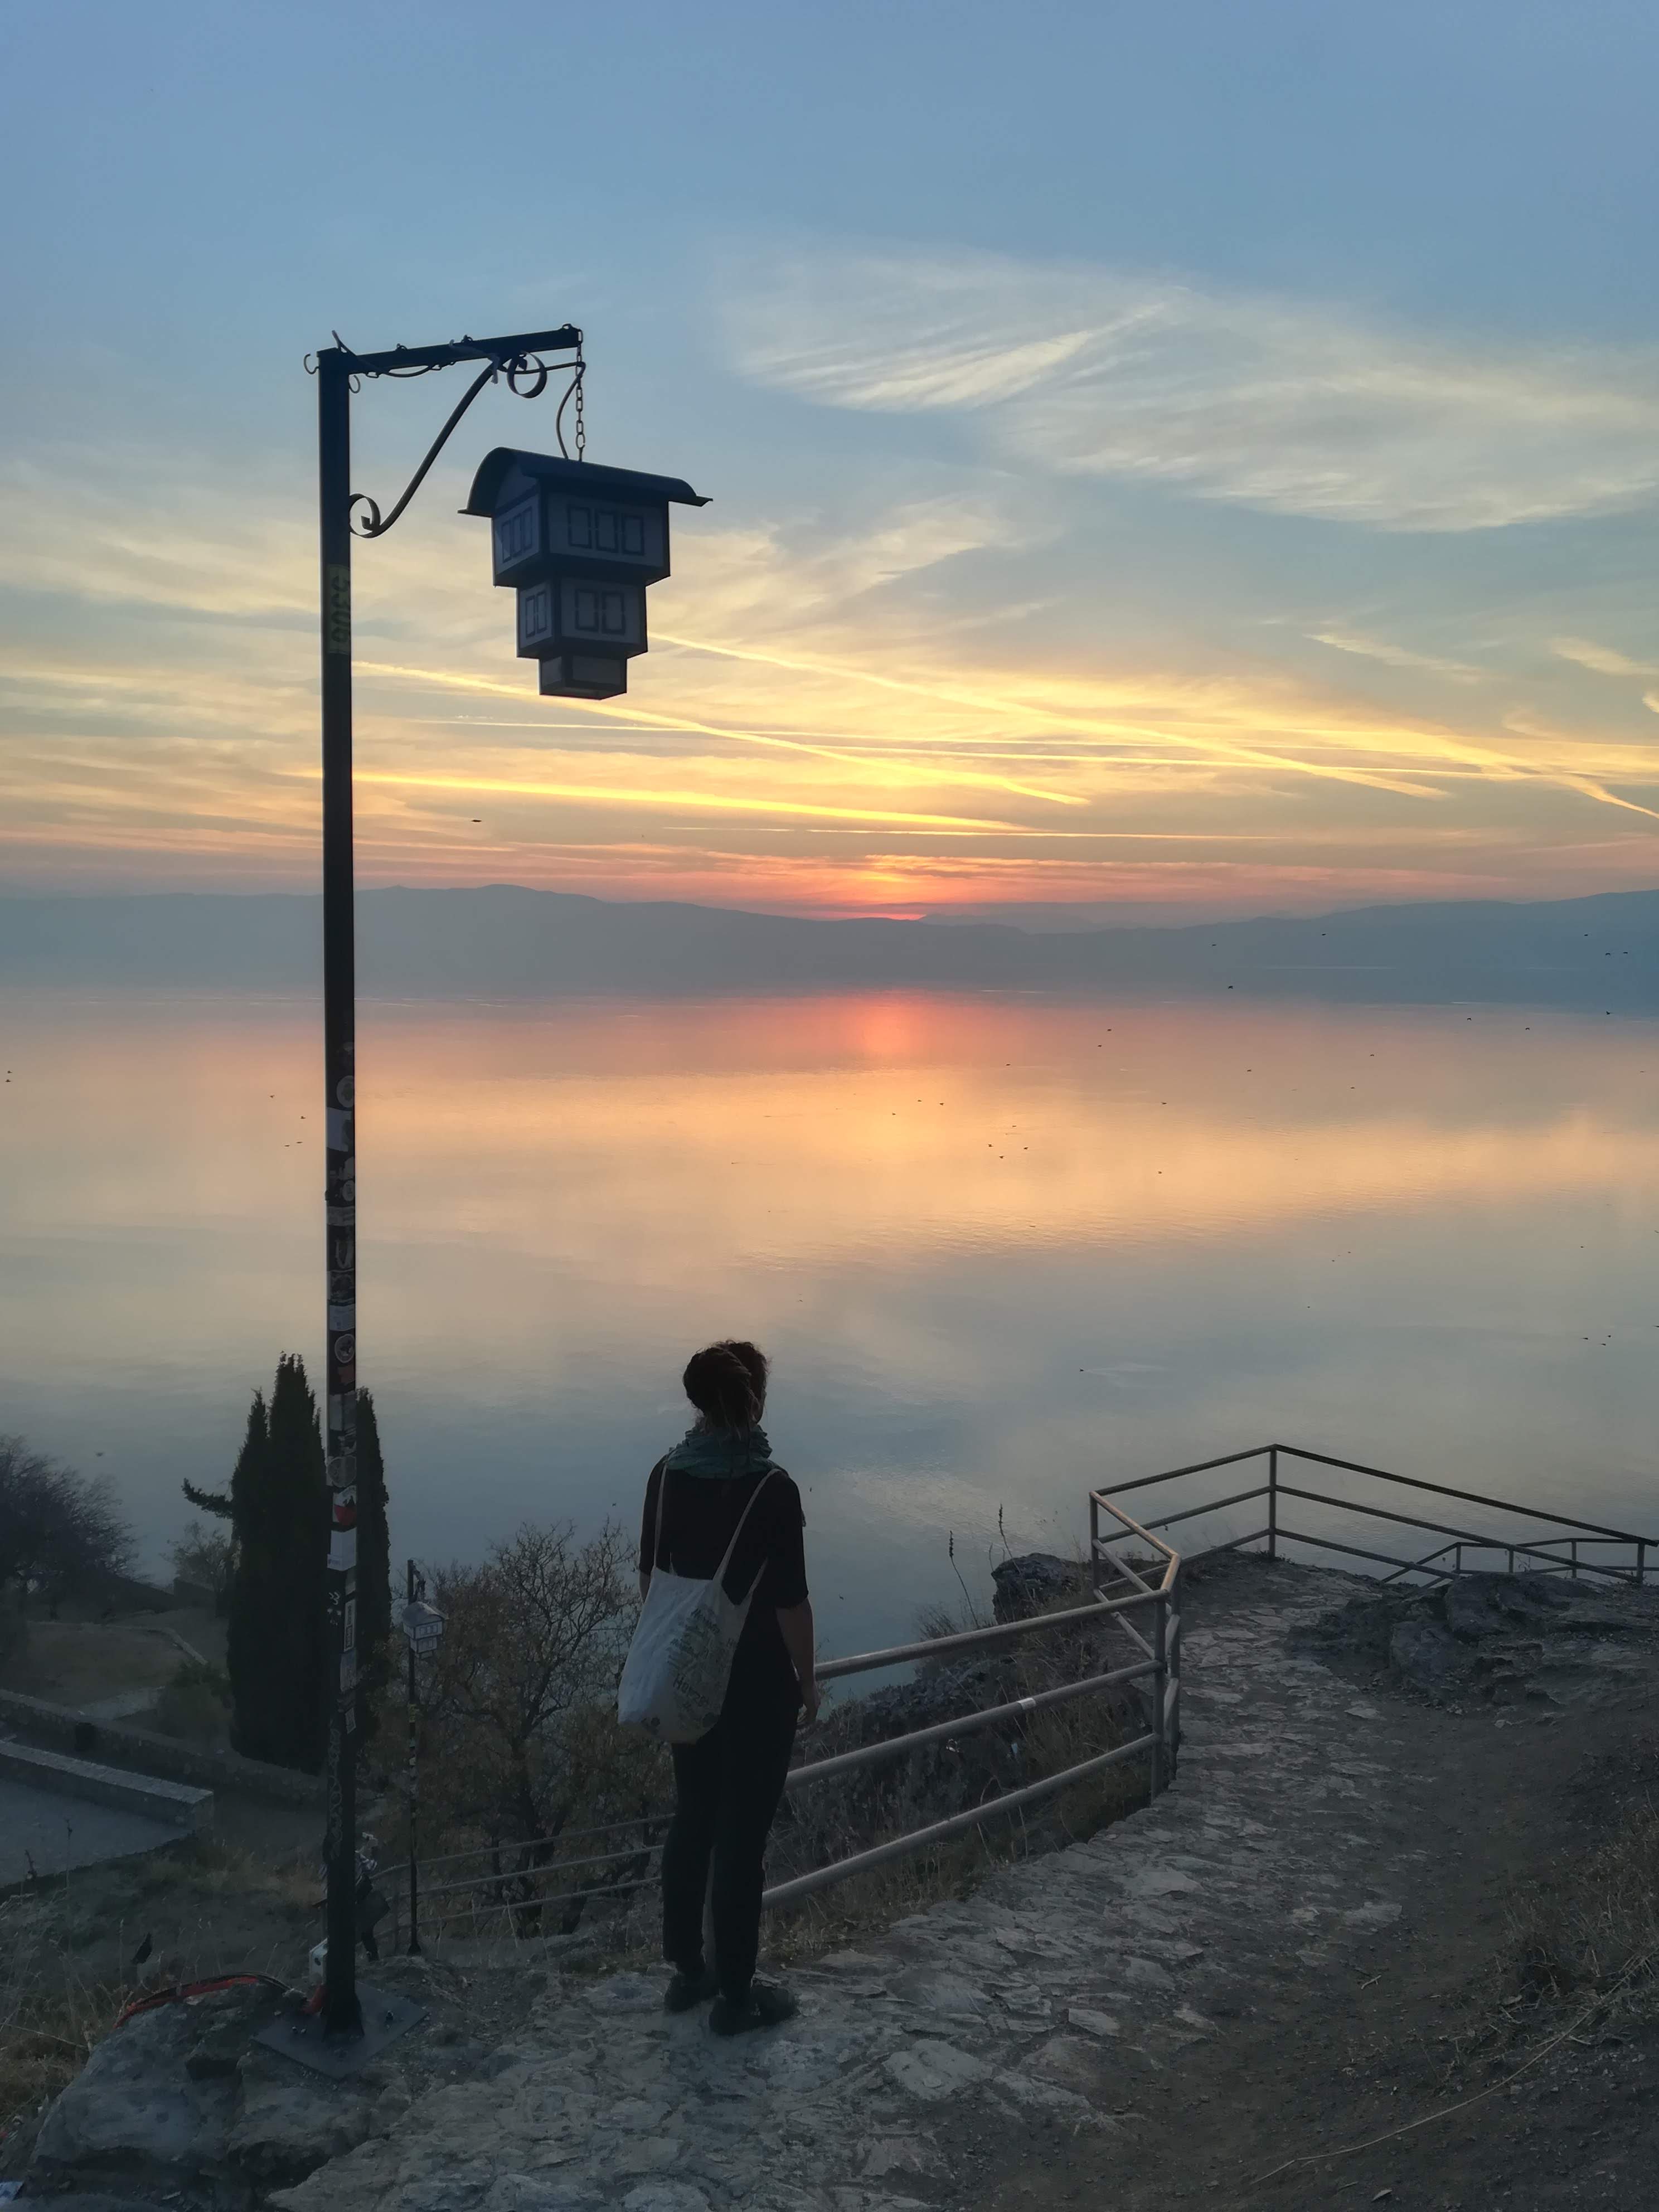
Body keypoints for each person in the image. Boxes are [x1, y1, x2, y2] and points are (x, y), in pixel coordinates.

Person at [639, 1338, 817, 2034]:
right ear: (755, 1400)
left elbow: (652, 1583)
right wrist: (809, 1681)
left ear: (698, 1403)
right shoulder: (774, 1490)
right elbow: (791, 1603)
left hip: (689, 1682)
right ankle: (737, 1996)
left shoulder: (665, 1476)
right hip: (760, 1687)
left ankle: (690, 1970)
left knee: (694, 1816)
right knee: (743, 1836)